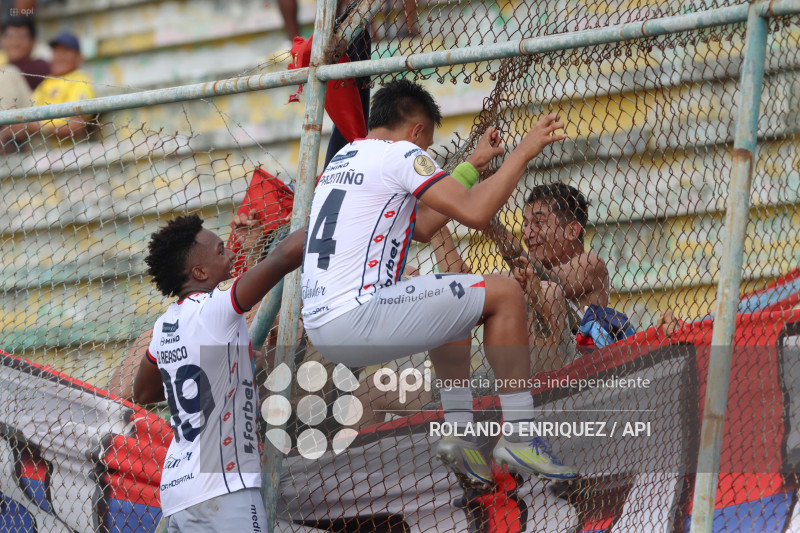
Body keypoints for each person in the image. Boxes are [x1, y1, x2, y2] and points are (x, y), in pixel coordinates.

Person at [301, 78, 578, 486]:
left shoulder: (344, 160)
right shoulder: (401, 154)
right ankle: (520, 432)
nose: (424, 153)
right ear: (415, 132)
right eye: (427, 145)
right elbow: (476, 213)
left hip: (326, 326)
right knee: (504, 292)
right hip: (361, 315)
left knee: (453, 297)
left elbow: (426, 226)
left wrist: (474, 166)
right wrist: (524, 152)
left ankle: (461, 433)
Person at [132, 214, 303, 532]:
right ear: (199, 272)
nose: (231, 253)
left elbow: (143, 392)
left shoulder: (165, 324)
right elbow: (284, 257)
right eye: (221, 249)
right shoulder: (216, 309)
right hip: (224, 486)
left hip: (178, 491)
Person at [1, 31, 95, 146]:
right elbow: (31, 109)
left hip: (53, 145)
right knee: (7, 73)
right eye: (56, 51)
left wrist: (39, 128)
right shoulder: (48, 81)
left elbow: (76, 127)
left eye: (66, 51)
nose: (60, 55)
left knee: (9, 72)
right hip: (33, 139)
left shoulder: (80, 80)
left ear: (79, 57)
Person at [0, 15, 48, 91]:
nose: (15, 43)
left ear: (33, 42)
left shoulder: (40, 67)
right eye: (10, 36)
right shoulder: (2, 63)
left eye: (21, 37)